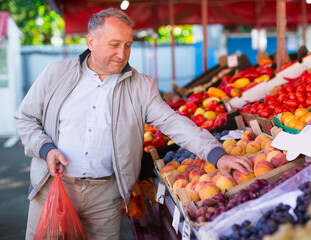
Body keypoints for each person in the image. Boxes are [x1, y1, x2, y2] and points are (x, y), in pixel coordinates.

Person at [14, 8, 253, 240]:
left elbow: (172, 122)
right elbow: (25, 119)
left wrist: (216, 154)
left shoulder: (141, 86)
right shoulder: (56, 74)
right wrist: (46, 149)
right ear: (91, 42)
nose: (123, 54)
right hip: (54, 188)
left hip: (104, 197)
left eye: (128, 45)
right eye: (114, 44)